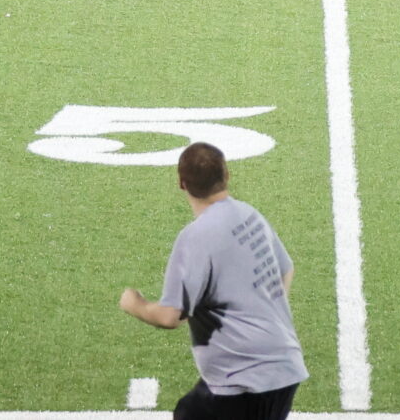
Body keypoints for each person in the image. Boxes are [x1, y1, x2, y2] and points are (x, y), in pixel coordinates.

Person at [118, 141, 306, 420]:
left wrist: (134, 303)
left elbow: (171, 316)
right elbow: (285, 271)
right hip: (284, 369)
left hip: (242, 381)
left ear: (182, 184)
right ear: (226, 175)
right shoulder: (249, 215)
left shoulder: (195, 238)